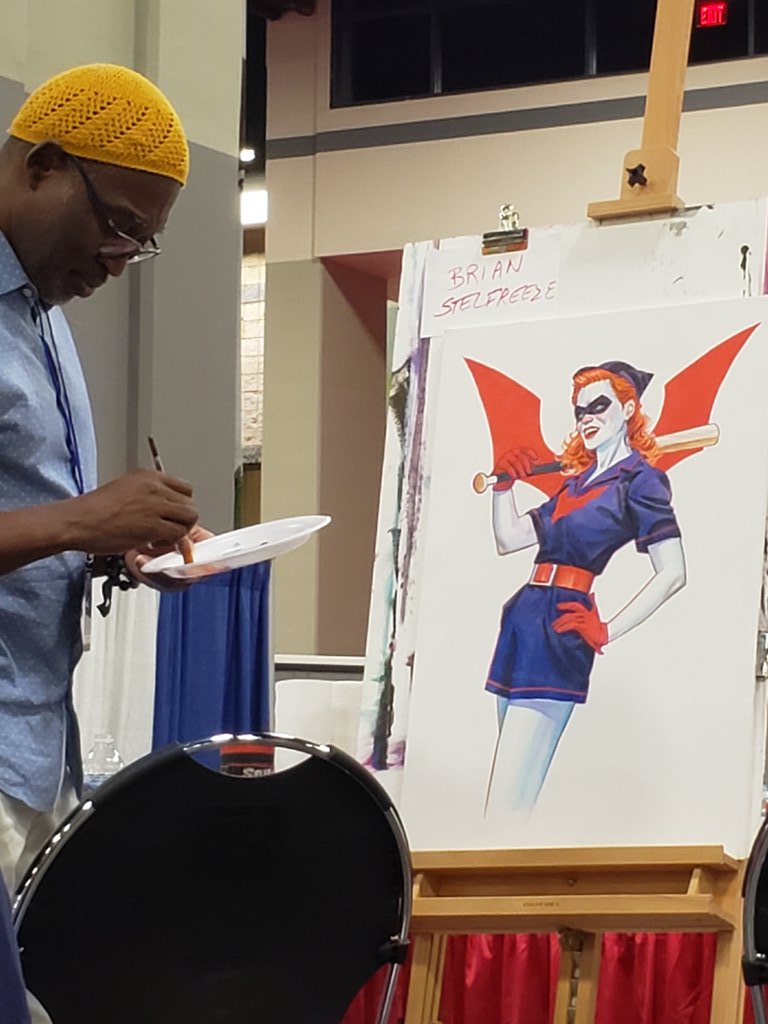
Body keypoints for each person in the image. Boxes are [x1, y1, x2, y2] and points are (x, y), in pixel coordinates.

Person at [0, 63, 203, 903]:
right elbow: (59, 520)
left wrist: (114, 545)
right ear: (42, 166)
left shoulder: (39, 318)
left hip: (39, 750)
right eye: (118, 225)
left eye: (140, 242)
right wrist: (83, 521)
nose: (120, 261)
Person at [485, 361, 686, 815]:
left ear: (628, 409)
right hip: (522, 620)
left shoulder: (640, 482)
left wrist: (607, 630)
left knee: (507, 802)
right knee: (507, 793)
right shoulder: (575, 484)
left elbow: (673, 571)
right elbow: (509, 540)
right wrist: (503, 488)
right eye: (580, 411)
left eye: (599, 406)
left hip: (560, 629)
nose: (587, 418)